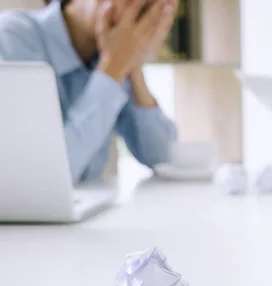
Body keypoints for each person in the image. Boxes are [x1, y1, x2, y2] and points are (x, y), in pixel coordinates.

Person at [0, 0, 178, 184]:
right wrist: (113, 67)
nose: (142, 22)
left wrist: (133, 65)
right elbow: (46, 176)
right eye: (137, 6)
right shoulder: (12, 39)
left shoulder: (108, 53)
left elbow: (162, 157)